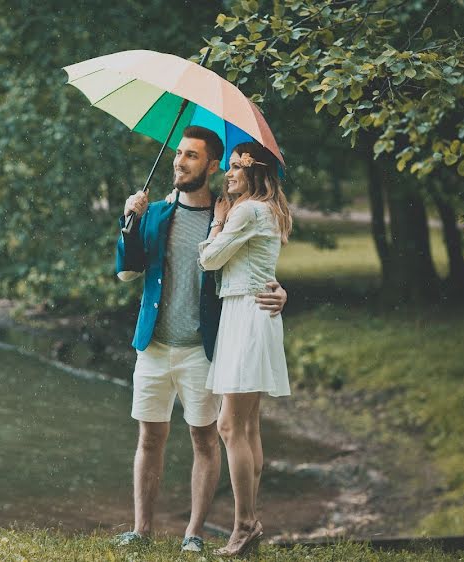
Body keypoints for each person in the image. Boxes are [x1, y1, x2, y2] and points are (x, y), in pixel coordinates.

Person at [113, 126, 288, 553]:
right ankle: (141, 530)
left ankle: (194, 534)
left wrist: (280, 290)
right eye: (178, 154)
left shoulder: (228, 211)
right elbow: (127, 271)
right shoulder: (154, 211)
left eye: (192, 156)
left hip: (205, 348)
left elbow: (249, 260)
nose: (179, 162)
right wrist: (128, 222)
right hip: (152, 345)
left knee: (206, 440)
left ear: (212, 165)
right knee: (149, 438)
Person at [197, 141, 293, 557]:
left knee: (229, 427)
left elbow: (210, 260)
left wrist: (217, 223)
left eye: (238, 167)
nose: (230, 173)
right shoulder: (263, 210)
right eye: (230, 166)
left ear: (256, 173)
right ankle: (248, 524)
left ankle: (244, 524)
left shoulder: (249, 210)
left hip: (246, 314)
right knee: (247, 427)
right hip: (252, 312)